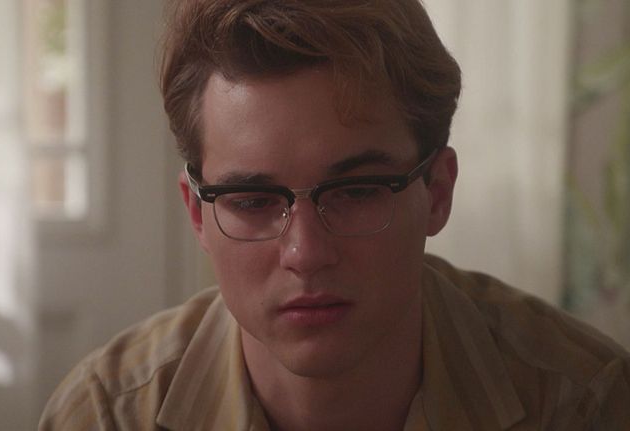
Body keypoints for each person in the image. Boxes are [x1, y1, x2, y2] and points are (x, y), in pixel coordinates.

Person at [39, 0, 630, 429]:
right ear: (198, 215)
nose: (305, 253)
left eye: (357, 190)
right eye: (252, 201)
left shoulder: (584, 403)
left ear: (438, 192)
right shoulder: (105, 415)